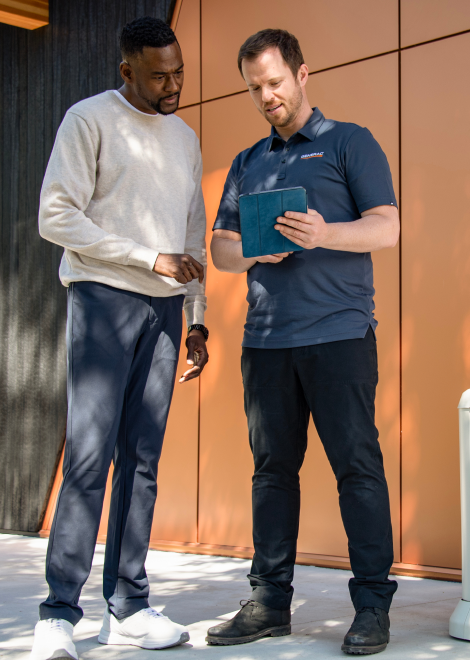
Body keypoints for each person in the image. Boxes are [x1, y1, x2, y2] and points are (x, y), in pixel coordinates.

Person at [207, 28, 399, 655]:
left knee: (357, 470)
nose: (267, 96)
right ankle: (269, 604)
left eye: (275, 82)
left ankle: (372, 604)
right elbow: (222, 250)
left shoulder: (350, 142)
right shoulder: (246, 162)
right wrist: (259, 245)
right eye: (255, 88)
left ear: (302, 74)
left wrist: (325, 233)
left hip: (340, 336)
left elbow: (387, 227)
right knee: (272, 474)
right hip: (266, 343)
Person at [30, 16, 209, 660]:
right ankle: (57, 613)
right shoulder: (88, 120)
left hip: (165, 313)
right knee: (88, 455)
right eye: (158, 74)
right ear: (126, 70)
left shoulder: (186, 137)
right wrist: (143, 257)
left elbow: (192, 233)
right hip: (104, 300)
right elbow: (55, 215)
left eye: (179, 70)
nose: (172, 83)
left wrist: (196, 317)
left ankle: (129, 605)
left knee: (142, 459)